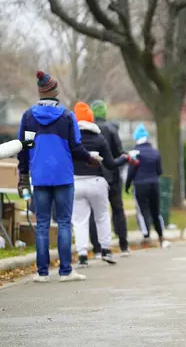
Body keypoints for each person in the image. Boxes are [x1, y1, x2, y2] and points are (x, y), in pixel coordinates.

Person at [16, 71, 102, 283]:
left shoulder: (28, 117)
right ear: (55, 92)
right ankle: (65, 271)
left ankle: (42, 273)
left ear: (40, 92)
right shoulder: (67, 116)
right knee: (64, 222)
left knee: (42, 223)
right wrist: (91, 159)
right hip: (63, 177)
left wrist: (24, 175)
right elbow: (76, 148)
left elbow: (24, 149)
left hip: (40, 177)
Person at [71, 102, 130, 268]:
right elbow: (111, 163)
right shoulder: (99, 138)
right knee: (102, 216)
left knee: (80, 220)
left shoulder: (71, 139)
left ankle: (82, 255)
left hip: (76, 182)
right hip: (97, 182)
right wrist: (124, 158)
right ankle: (106, 250)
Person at [88, 100, 131, 258]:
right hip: (112, 176)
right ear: (105, 113)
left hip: (94, 175)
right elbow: (119, 152)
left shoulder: (87, 131)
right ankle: (123, 245)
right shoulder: (112, 129)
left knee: (95, 212)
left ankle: (97, 248)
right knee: (117, 210)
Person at [125, 123, 171, 248]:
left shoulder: (135, 152)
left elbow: (131, 171)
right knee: (156, 211)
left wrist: (127, 185)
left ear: (136, 138)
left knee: (142, 211)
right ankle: (161, 235)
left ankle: (146, 236)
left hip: (140, 185)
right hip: (154, 184)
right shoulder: (155, 152)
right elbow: (159, 171)